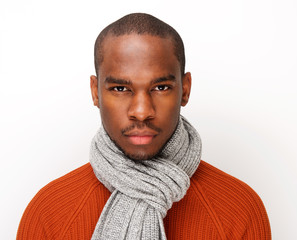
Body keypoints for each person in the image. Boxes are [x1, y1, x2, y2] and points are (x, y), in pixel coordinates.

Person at [17, 13, 271, 239]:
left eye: (160, 88)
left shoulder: (239, 208)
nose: (141, 112)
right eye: (120, 88)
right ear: (95, 93)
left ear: (185, 90)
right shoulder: (48, 211)